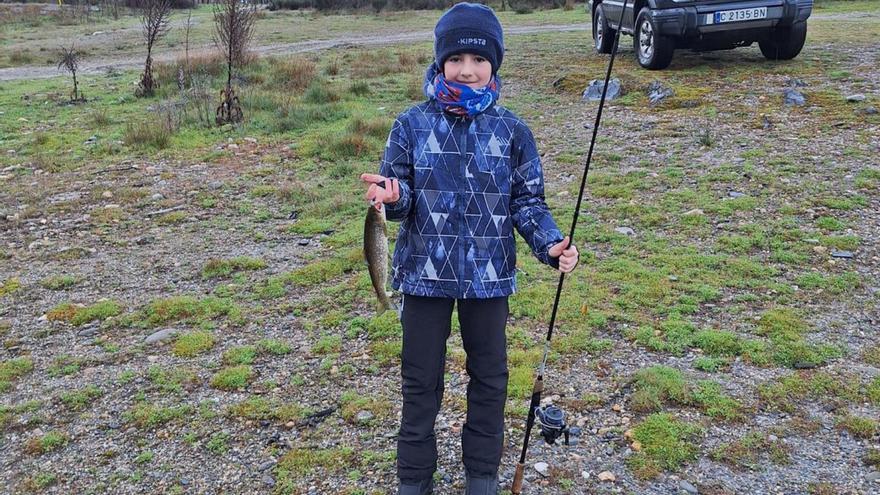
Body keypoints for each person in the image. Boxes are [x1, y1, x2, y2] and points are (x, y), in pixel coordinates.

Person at [360, 3, 579, 494]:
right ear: (440, 62)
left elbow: (528, 202)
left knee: (491, 380)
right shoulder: (410, 125)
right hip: (422, 277)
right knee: (420, 383)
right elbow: (399, 195)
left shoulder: (513, 130)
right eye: (455, 58)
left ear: (494, 64)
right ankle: (414, 479)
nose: (467, 69)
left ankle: (482, 474)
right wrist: (391, 198)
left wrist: (551, 244)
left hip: (490, 279)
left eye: (478, 60)